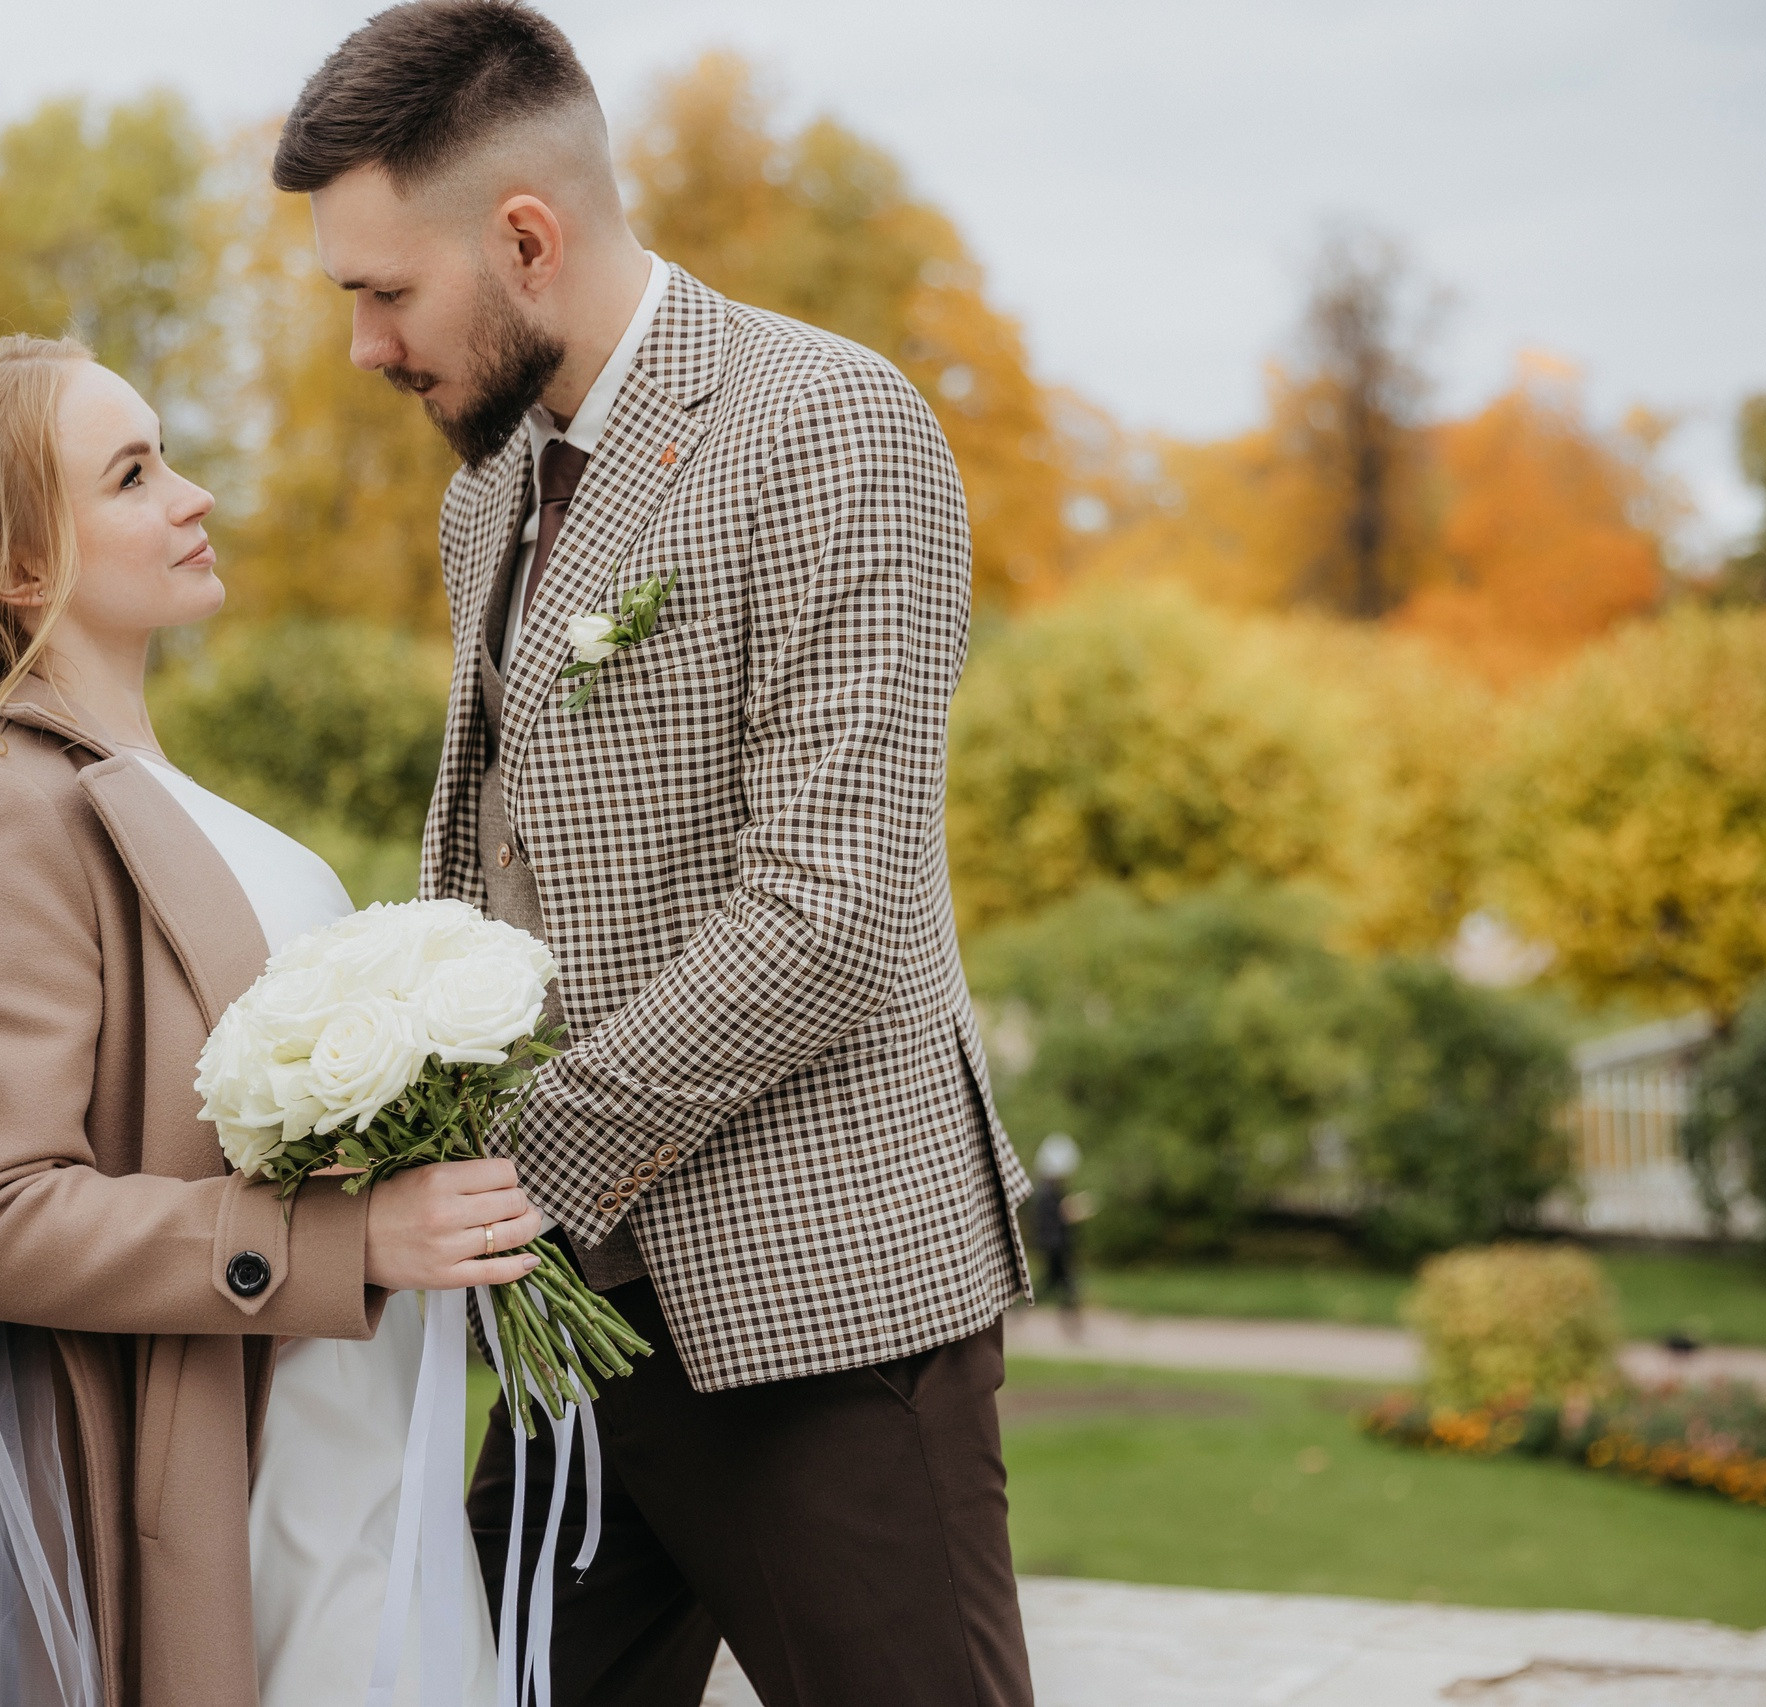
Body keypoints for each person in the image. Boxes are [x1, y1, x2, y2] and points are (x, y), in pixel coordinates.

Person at [275, 7, 1038, 1704]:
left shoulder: (833, 426)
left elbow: (832, 908)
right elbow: (509, 863)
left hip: (819, 1309)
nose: (366, 349)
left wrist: (513, 1164)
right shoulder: (491, 492)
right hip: (584, 1325)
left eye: (383, 292)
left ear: (525, 237)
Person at [0, 334, 522, 1705]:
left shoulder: (140, 782)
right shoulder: (12, 813)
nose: (195, 495)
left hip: (354, 1450)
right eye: (132, 474)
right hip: (257, 1476)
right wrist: (351, 1236)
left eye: (165, 455)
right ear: (21, 566)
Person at [1028, 1134, 1085, 1332]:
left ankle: (1071, 1325)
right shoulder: (1046, 1193)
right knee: (1066, 1285)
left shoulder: (1047, 1190)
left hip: (1055, 1243)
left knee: (1054, 1284)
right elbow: (1056, 1217)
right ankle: (1073, 1326)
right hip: (1055, 1244)